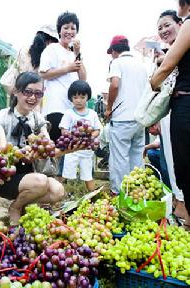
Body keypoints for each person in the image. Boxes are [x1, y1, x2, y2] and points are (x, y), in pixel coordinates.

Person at [0, 72, 65, 225]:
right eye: (28, 92)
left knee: (58, 191)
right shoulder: (0, 116)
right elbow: (3, 151)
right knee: (41, 181)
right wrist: (25, 152)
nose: (33, 97)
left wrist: (52, 146)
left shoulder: (38, 118)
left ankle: (20, 203)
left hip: (32, 174)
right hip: (6, 175)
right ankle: (16, 208)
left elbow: (47, 143)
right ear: (16, 91)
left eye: (38, 93)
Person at [151, 0, 190, 230]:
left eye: (167, 25)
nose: (164, 31)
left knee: (182, 164)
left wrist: (152, 83)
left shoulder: (188, 24)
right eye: (160, 28)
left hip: (184, 104)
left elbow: (164, 70)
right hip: (179, 105)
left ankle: (184, 213)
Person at [104, 35, 148, 195]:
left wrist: (108, 108)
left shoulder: (117, 62)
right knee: (137, 157)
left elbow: (114, 85)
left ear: (115, 51)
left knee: (119, 158)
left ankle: (119, 193)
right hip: (139, 118)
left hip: (122, 118)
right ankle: (137, 191)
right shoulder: (142, 64)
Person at [39, 11, 87, 142]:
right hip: (55, 108)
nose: (69, 31)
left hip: (72, 109)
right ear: (59, 30)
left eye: (73, 28)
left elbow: (83, 79)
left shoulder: (73, 54)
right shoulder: (52, 49)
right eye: (66, 27)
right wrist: (67, 68)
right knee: (55, 148)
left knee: (68, 153)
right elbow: (43, 73)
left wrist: (77, 53)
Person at [59, 80, 101, 191]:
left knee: (88, 175)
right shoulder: (69, 113)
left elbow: (97, 130)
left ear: (88, 97)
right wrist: (73, 137)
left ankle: (92, 196)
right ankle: (60, 194)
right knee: (65, 173)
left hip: (87, 151)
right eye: (75, 97)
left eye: (82, 97)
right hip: (71, 151)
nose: (79, 100)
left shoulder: (92, 114)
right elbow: (64, 130)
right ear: (71, 98)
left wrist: (90, 137)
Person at [1, 25, 59, 95]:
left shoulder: (26, 50)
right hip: (31, 93)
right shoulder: (29, 52)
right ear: (49, 41)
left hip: (24, 92)